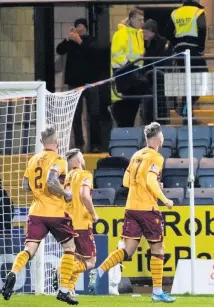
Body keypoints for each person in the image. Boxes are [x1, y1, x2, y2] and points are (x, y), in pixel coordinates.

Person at [90, 122, 176, 303]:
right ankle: (158, 292)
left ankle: (100, 270)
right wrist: (165, 199)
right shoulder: (156, 157)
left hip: (131, 207)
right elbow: (151, 180)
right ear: (159, 138)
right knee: (158, 248)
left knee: (127, 250)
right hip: (147, 209)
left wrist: (144, 185)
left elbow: (126, 181)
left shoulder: (137, 155)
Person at [1, 125, 77, 305]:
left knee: (29, 249)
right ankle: (64, 290)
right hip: (56, 212)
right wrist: (65, 193)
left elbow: (25, 186)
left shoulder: (33, 159)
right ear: (57, 141)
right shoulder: (59, 159)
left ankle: (13, 273)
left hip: (36, 211)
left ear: (41, 141)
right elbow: (51, 181)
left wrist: (39, 191)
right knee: (70, 248)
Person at [53, 149, 98, 294]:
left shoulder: (67, 178)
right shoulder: (85, 175)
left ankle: (69, 289)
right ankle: (61, 270)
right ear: (78, 160)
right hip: (81, 224)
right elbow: (84, 195)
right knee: (91, 262)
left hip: (67, 223)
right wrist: (94, 214)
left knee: (76, 257)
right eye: (83, 157)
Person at [56, 18, 104, 152]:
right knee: (76, 115)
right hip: (75, 83)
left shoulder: (91, 40)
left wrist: (80, 41)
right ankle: (79, 144)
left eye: (81, 25)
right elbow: (59, 50)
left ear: (86, 27)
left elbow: (94, 53)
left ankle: (96, 144)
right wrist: (67, 39)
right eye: (77, 26)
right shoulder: (70, 42)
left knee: (94, 113)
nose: (79, 28)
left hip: (91, 82)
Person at [168, 0, 208, 124]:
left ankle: (186, 112)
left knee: (189, 81)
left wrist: (176, 44)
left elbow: (168, 31)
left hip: (180, 50)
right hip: (193, 49)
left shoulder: (175, 12)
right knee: (203, 77)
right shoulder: (198, 12)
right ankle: (184, 109)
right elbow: (202, 29)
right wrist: (201, 48)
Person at [110, 8, 146, 128]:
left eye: (142, 19)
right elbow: (116, 54)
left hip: (136, 75)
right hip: (125, 74)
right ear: (131, 19)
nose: (142, 22)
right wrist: (130, 65)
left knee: (133, 107)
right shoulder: (121, 34)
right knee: (126, 110)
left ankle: (128, 130)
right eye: (139, 19)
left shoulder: (139, 34)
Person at [143, 19, 174, 125]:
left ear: (152, 31)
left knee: (161, 104)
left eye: (146, 32)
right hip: (148, 79)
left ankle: (162, 123)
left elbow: (167, 60)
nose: (144, 34)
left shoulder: (163, 43)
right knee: (149, 105)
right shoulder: (145, 43)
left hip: (160, 78)